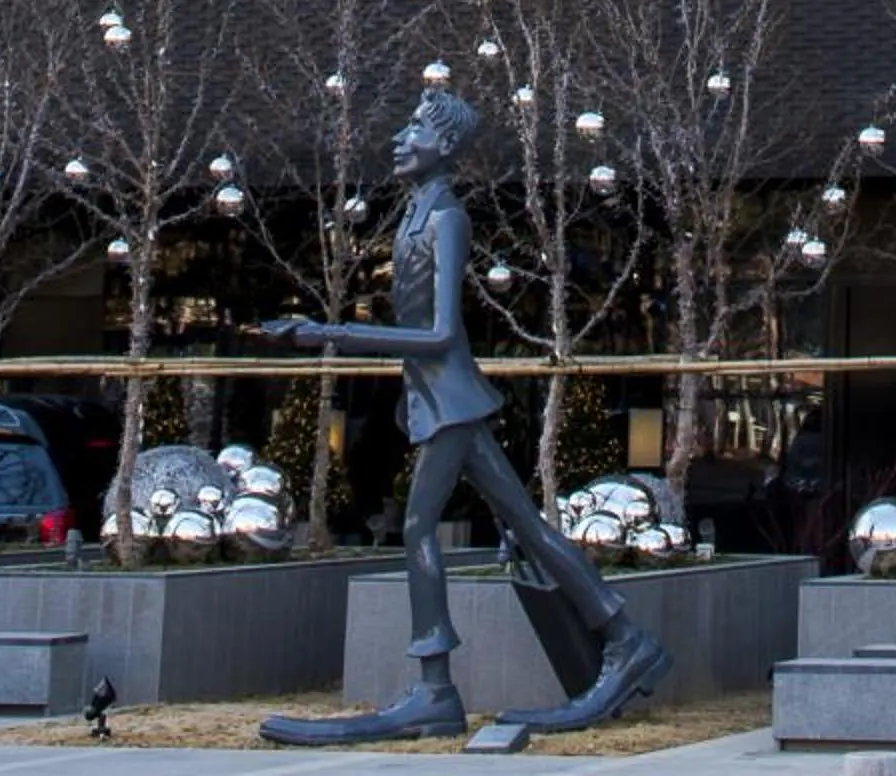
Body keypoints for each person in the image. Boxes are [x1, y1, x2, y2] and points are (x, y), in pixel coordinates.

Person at [252, 89, 670, 743]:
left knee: (421, 526)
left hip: (450, 398)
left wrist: (327, 333)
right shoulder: (416, 215)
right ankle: (623, 637)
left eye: (415, 128)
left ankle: (435, 688)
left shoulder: (446, 218)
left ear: (445, 145)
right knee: (524, 523)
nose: (400, 138)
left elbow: (443, 334)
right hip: (440, 400)